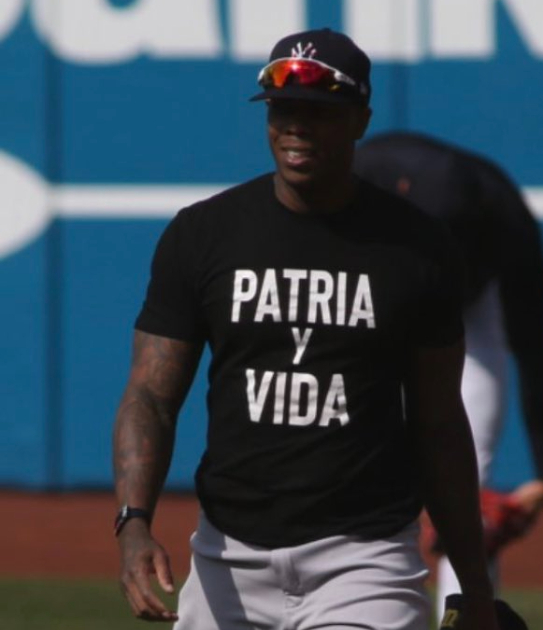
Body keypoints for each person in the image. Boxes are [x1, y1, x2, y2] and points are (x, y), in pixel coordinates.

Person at [112, 28, 501, 630]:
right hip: (226, 558)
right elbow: (150, 397)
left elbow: (439, 422)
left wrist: (475, 585)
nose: (296, 126)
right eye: (283, 109)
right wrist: (133, 521)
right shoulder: (203, 235)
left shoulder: (417, 248)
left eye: (319, 111)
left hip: (364, 560)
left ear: (360, 120)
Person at [353, 132, 543, 618]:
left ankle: (466, 613)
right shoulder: (368, 181)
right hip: (375, 292)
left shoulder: (507, 218)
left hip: (471, 311)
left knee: (471, 469)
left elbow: (534, 344)